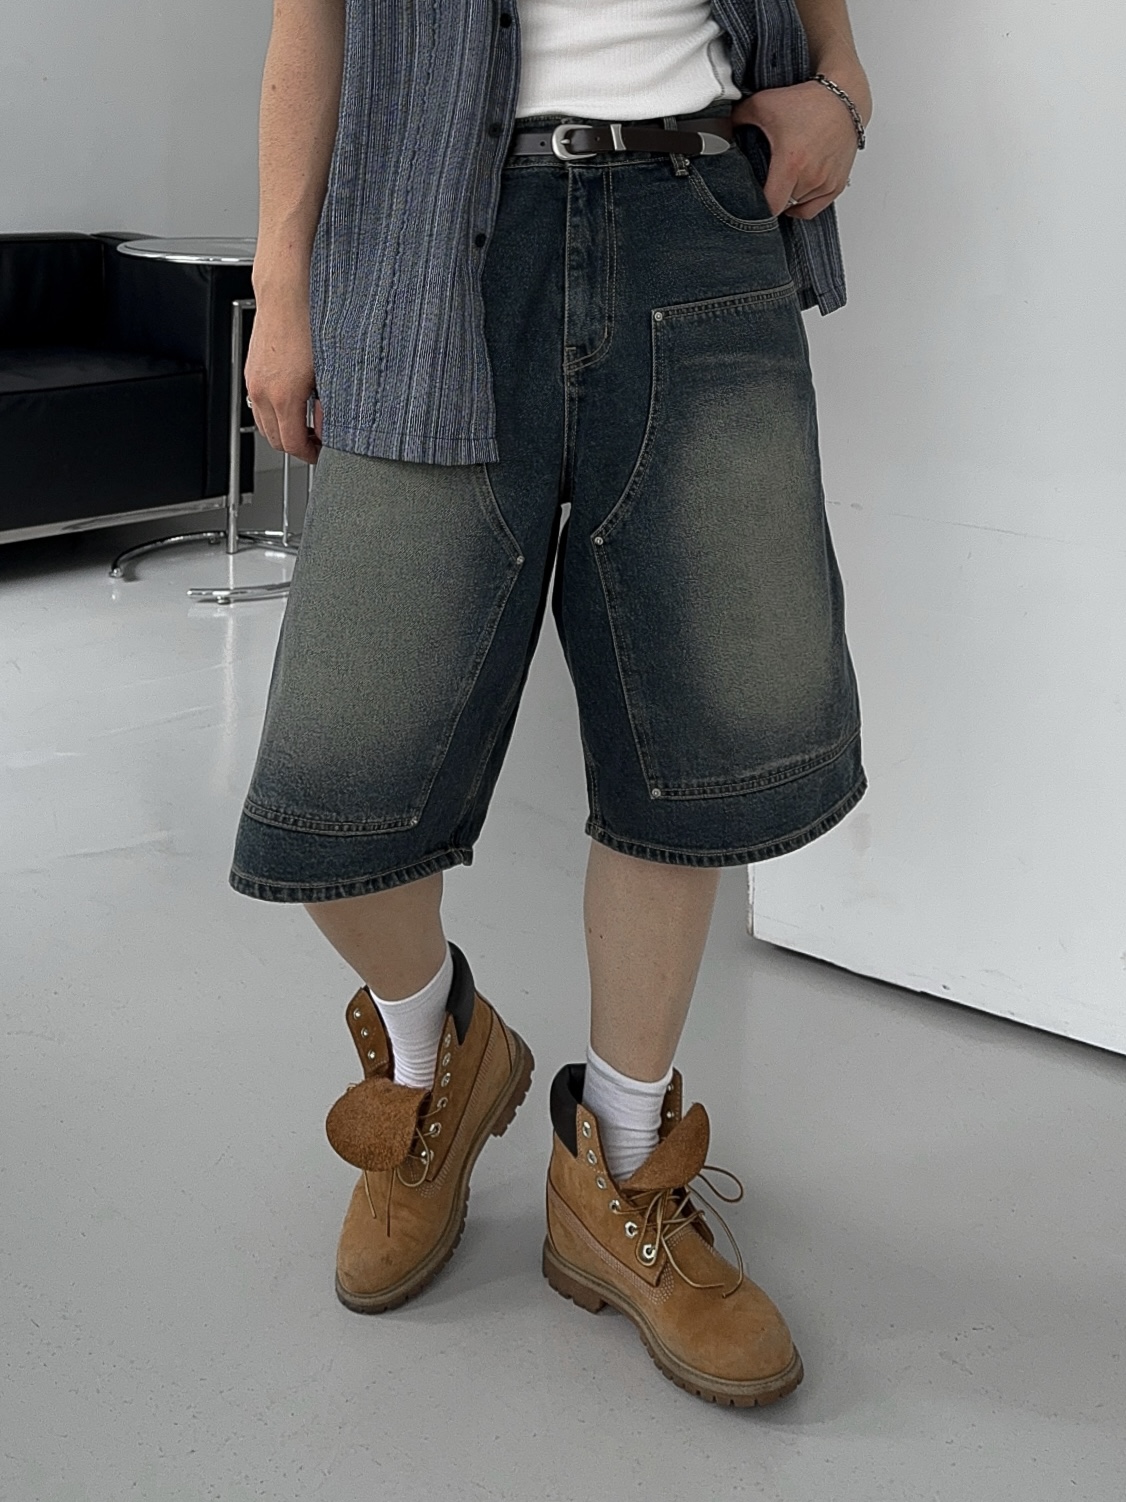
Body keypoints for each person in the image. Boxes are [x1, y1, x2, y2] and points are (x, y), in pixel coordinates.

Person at [233, 0, 872, 1407]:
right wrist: (282, 290)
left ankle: (619, 1167)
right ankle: (438, 1050)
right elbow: (310, 21)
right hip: (426, 244)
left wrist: (838, 84)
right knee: (339, 774)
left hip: (697, 220)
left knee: (698, 734)